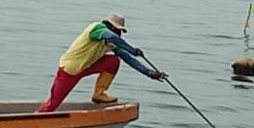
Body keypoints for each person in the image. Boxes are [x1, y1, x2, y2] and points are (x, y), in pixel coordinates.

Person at [36, 12, 166, 114]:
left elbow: (128, 59)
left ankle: (99, 94)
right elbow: (112, 37)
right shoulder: (97, 28)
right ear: (110, 26)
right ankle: (38, 118)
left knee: (113, 61)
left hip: (87, 65)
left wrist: (150, 73)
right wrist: (133, 49)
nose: (119, 33)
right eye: (118, 30)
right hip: (70, 70)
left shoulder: (111, 42)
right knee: (53, 104)